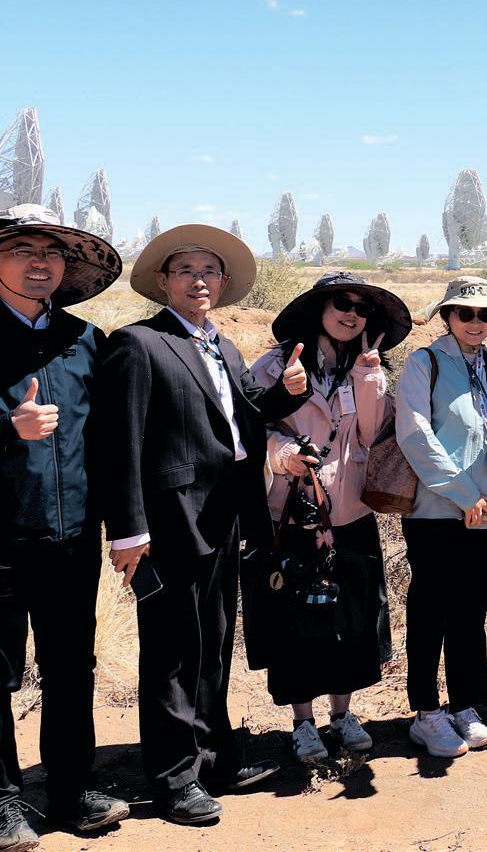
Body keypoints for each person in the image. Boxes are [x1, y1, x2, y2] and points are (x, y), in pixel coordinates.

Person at [95, 224, 309, 824]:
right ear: (163, 281)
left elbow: (246, 416)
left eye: (209, 271)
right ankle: (173, 778)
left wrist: (288, 394)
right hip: (169, 521)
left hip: (224, 516)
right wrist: (128, 529)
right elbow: (120, 442)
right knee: (171, 651)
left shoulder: (224, 346)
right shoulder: (139, 344)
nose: (199, 281)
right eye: (186, 270)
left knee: (212, 642)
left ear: (222, 281)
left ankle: (214, 758)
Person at [0, 206, 128, 847]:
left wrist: (125, 527)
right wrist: (7, 427)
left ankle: (72, 789)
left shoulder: (85, 341)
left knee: (71, 666)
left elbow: (110, 443)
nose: (39, 262)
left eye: (51, 251)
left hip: (72, 536)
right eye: (22, 249)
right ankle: (3, 801)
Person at [250, 272, 411, 763]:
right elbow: (249, 425)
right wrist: (284, 455)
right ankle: (303, 722)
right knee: (296, 621)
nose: (352, 314)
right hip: (294, 514)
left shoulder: (367, 367)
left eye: (362, 308)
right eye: (342, 303)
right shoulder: (276, 365)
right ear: (318, 309)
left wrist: (369, 378)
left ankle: (342, 714)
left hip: (351, 511)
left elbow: (372, 434)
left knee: (352, 618)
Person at [397, 276, 487, 757]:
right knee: (430, 610)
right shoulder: (424, 363)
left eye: (485, 315)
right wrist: (463, 493)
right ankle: (427, 713)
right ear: (448, 316)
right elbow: (415, 434)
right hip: (435, 510)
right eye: (465, 313)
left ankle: (465, 705)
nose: (476, 322)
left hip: (482, 511)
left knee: (470, 611)